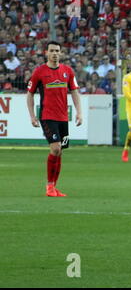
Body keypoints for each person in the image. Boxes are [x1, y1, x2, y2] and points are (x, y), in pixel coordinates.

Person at [26, 41, 83, 197]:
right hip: (47, 116)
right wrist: (32, 116)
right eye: (52, 51)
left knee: (60, 152)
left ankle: (54, 187)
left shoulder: (68, 71)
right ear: (46, 53)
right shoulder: (39, 72)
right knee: (56, 148)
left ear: (61, 53)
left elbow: (75, 92)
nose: (55, 53)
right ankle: (49, 186)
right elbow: (30, 94)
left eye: (57, 51)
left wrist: (79, 112)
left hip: (63, 117)